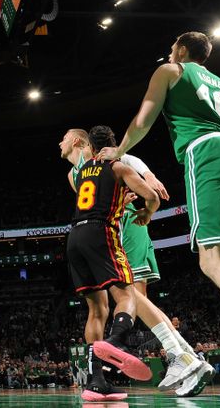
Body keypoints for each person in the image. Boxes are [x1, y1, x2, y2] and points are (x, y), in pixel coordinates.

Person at [97, 31, 220, 404]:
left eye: (172, 48)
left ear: (181, 50)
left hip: (207, 152)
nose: (169, 53)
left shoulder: (171, 70)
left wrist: (118, 150)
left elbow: (143, 119)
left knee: (212, 261)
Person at [60, 128, 211, 396]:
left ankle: (181, 356)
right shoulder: (75, 174)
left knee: (134, 297)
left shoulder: (99, 157)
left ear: (78, 142)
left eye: (63, 139)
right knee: (105, 307)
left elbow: (126, 158)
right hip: (108, 226)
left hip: (124, 224)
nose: (58, 143)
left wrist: (148, 174)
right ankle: (101, 376)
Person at [65, 125, 159, 402]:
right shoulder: (117, 167)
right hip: (100, 232)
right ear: (113, 144)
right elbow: (151, 196)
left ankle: (97, 383)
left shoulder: (79, 173)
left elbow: (99, 192)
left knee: (97, 310)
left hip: (74, 237)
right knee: (127, 295)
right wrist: (146, 213)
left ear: (91, 148)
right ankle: (115, 343)